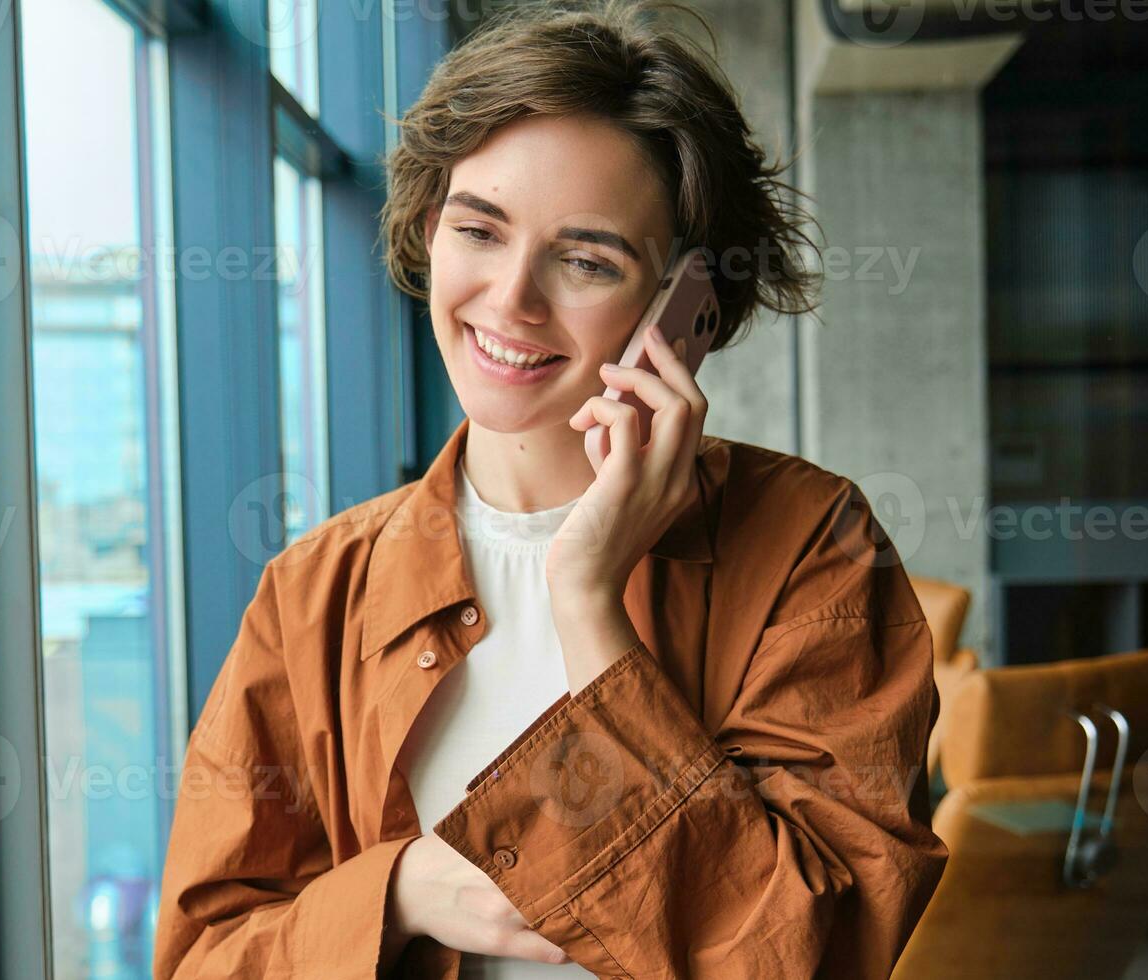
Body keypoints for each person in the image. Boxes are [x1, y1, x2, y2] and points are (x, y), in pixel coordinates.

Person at [154, 2, 946, 976]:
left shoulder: (809, 546)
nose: (510, 299)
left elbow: (815, 952)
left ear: (684, 305)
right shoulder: (316, 589)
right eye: (478, 229)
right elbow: (202, 955)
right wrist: (397, 891)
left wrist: (587, 603)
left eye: (583, 258)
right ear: (426, 229)